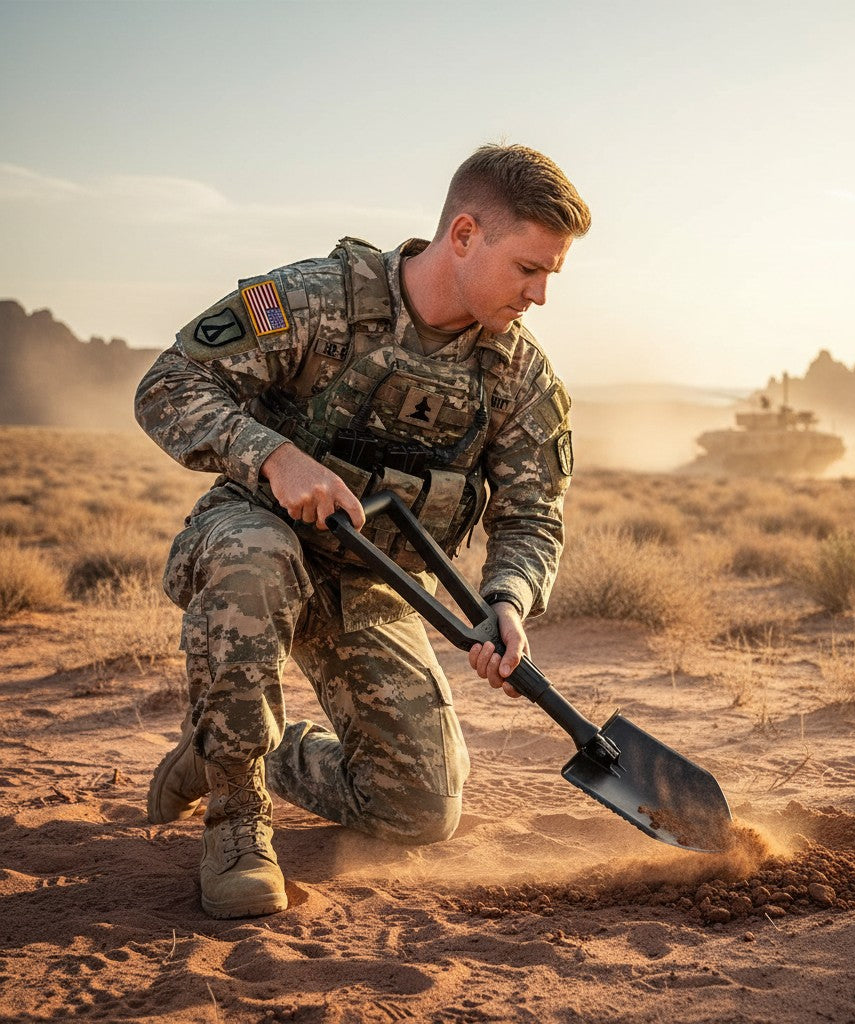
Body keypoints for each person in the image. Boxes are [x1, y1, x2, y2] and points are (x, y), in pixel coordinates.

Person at [135, 144, 590, 919]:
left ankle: (231, 744)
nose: (541, 295)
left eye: (551, 274)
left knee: (422, 807)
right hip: (257, 540)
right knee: (257, 554)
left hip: (372, 579)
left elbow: (531, 515)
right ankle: (235, 819)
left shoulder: (519, 377)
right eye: (527, 269)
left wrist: (508, 600)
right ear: (464, 235)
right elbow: (168, 383)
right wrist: (274, 457)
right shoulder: (317, 301)